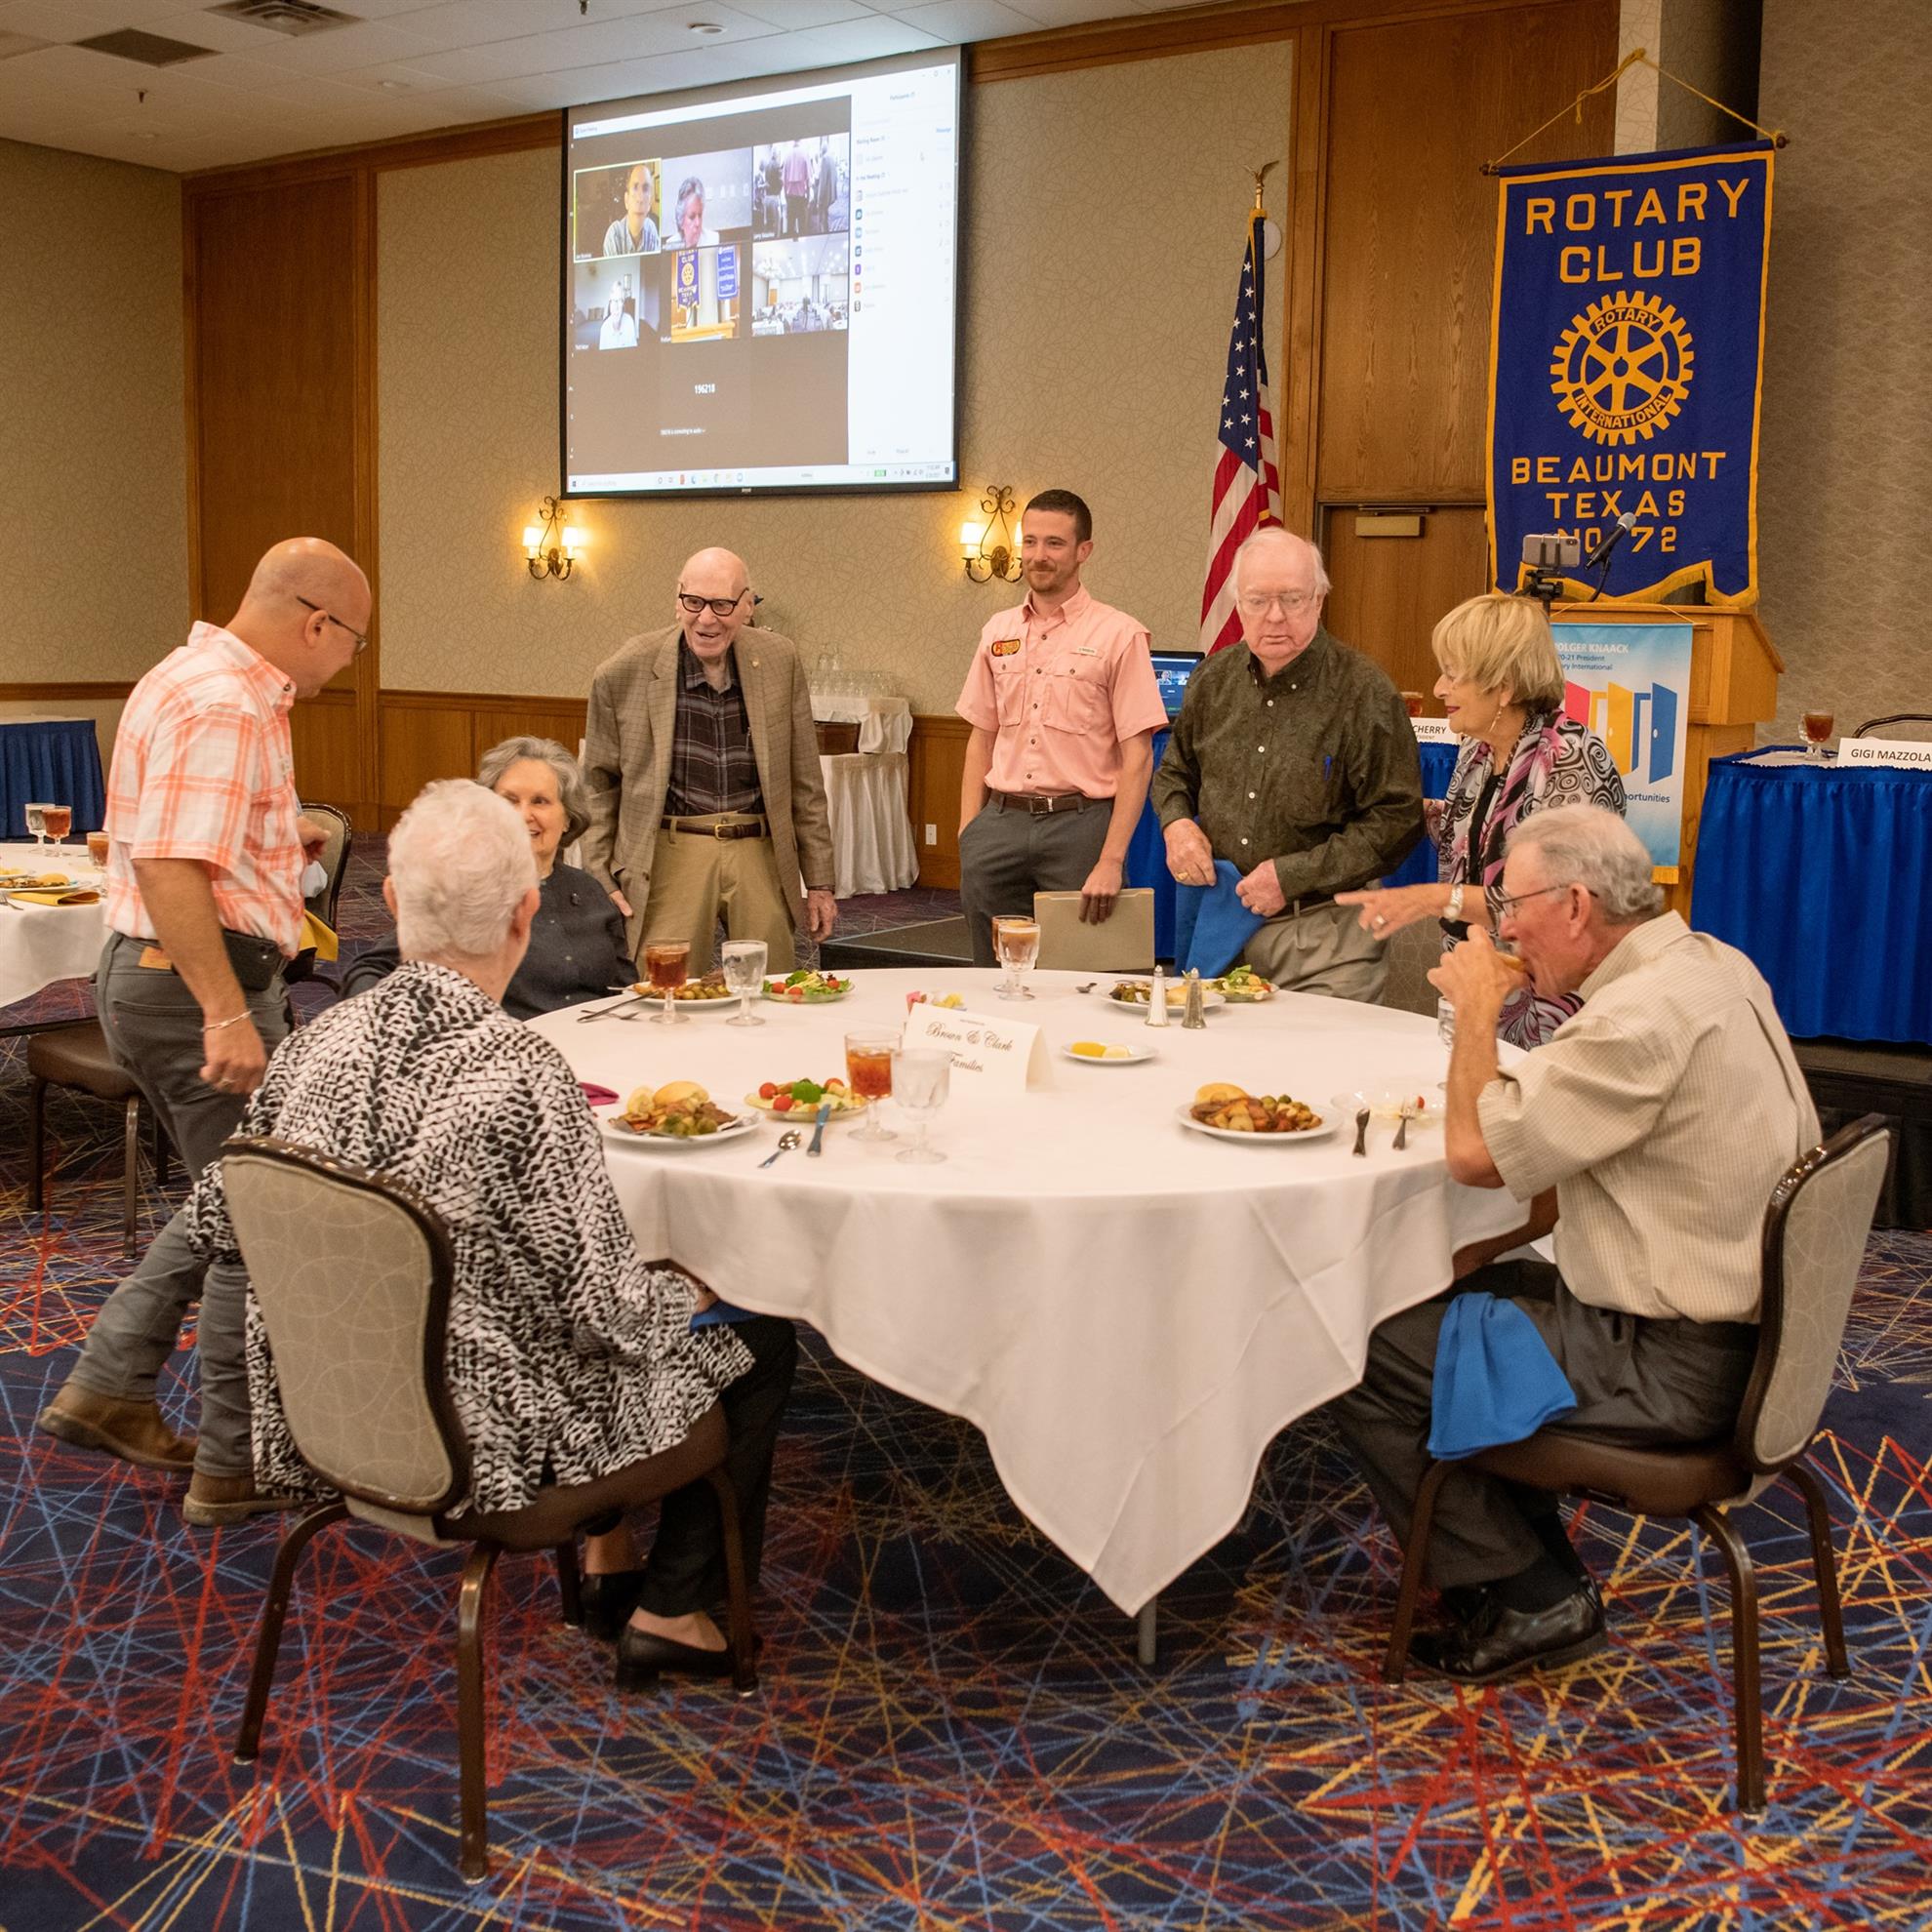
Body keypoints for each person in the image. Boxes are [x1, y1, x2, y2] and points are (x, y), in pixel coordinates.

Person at [186, 781, 797, 1684]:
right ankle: (677, 1612)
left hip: (326, 1418)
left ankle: (613, 1565)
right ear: (525, 911)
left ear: (391, 903)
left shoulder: (315, 1045)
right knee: (758, 1334)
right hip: (490, 1445)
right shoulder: (522, 1072)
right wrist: (702, 1287)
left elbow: (216, 1222)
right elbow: (613, 1319)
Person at [1328, 807, 1819, 1682]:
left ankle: (1527, 1595)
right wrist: (1470, 1258)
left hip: (1677, 1369)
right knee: (1455, 1293)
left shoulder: (1635, 1021)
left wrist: (1479, 1010)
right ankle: (1534, 1572)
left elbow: (1477, 1156)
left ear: (1578, 905)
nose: (1503, 925)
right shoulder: (1711, 965)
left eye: (1512, 904)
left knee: (1356, 1348)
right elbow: (1564, 1175)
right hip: (1746, 1331)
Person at [36, 538, 367, 1525]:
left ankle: (111, 1384)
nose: (349, 662)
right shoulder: (227, 701)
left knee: (231, 1199)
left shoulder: (190, 674)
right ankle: (230, 1463)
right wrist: (226, 1010)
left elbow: (177, 842)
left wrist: (274, 843)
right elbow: (173, 867)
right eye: (353, 641)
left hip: (162, 980)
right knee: (255, 1220)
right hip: (194, 992)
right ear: (317, 622)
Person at [1338, 594, 1624, 1046]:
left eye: (1453, 674)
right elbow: (1466, 837)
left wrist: (1434, 898)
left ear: (1504, 686)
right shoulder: (1479, 748)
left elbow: (1547, 904)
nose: (1437, 688)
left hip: (1550, 997)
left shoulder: (1571, 762)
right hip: (1475, 971)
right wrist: (1385, 808)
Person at [1153, 528, 1424, 1000]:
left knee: (1321, 1074)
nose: (1275, 617)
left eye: (1292, 600)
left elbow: (1397, 821)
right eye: (1258, 601)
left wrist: (1292, 875)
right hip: (1222, 929)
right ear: (1238, 604)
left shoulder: (1366, 692)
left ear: (1319, 599)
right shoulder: (1212, 680)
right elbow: (1175, 772)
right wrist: (1177, 823)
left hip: (1326, 939)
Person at [581, 546, 836, 979]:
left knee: (770, 990)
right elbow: (598, 785)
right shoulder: (624, 670)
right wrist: (599, 877)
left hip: (759, 849)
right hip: (671, 850)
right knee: (667, 992)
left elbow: (805, 781)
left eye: (722, 605)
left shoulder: (780, 660)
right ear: (677, 598)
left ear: (748, 606)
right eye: (693, 602)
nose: (706, 619)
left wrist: (820, 883)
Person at [954, 489, 1164, 968]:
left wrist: (1111, 858)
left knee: (1086, 972)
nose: (1038, 556)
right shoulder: (997, 630)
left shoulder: (1119, 634)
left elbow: (1139, 755)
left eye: (1054, 544)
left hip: (1080, 828)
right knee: (994, 973)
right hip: (999, 826)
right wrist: (969, 833)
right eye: (1029, 542)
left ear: (1082, 551)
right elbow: (981, 735)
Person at [342, 736, 631, 1019]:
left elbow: (626, 988)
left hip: (598, 1053)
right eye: (510, 800)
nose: (522, 815)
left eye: (540, 801)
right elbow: (370, 969)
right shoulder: (469, 886)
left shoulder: (589, 889)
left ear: (568, 817)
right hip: (509, 1054)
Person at [600, 163, 659, 257]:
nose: (640, 198)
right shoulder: (613, 235)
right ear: (626, 200)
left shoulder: (651, 229)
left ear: (649, 203)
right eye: (635, 187)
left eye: (645, 188)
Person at [668, 176, 717, 251]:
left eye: (700, 215)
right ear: (681, 220)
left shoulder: (713, 240)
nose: (698, 223)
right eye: (692, 217)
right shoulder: (671, 245)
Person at [782, 141, 810, 238]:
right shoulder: (805, 154)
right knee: (802, 229)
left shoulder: (787, 156)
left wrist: (786, 197)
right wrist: (808, 198)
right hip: (801, 198)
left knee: (790, 229)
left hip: (790, 198)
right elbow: (808, 178)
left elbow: (783, 181)